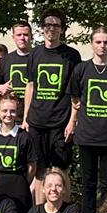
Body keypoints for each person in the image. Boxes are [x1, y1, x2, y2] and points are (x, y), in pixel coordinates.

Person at [65, 27, 107, 211]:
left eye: (105, 42)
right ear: (92, 44)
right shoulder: (81, 69)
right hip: (87, 135)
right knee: (88, 184)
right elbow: (75, 99)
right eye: (98, 42)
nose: (102, 46)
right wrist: (72, 122)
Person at [24, 10, 82, 187]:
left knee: (59, 171)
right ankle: (40, 212)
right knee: (38, 170)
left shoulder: (72, 55)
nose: (51, 29)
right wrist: (26, 117)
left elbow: (75, 93)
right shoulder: (34, 54)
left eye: (56, 25)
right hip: (37, 121)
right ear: (42, 29)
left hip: (60, 122)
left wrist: (73, 120)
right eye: (48, 25)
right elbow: (31, 86)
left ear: (62, 29)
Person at [0, 93, 36, 213]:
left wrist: (22, 182)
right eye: (4, 111)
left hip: (18, 186)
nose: (8, 114)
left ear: (17, 113)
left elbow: (32, 166)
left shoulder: (24, 137)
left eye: (12, 111)